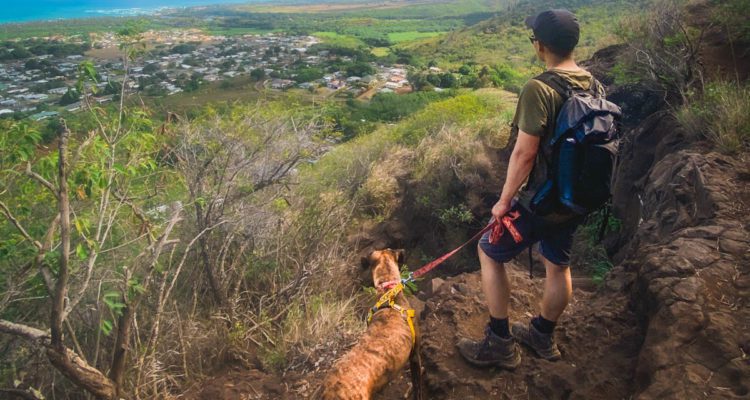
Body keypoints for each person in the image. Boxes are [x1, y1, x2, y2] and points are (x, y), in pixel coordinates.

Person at [457, 9, 603, 369]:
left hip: (542, 199)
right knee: (558, 264)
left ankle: (500, 342)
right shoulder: (593, 83)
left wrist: (503, 203)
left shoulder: (539, 88)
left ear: (540, 45)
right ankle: (541, 334)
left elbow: (524, 153)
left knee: (489, 251)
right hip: (576, 198)